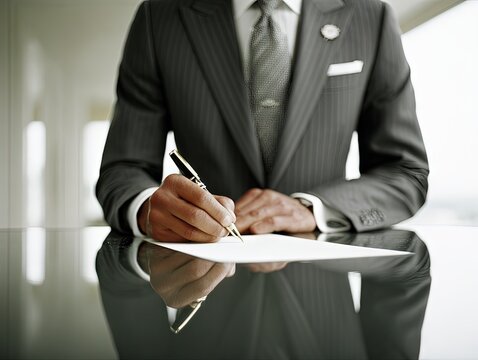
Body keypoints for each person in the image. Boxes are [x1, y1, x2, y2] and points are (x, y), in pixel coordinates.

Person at [96, 0, 428, 354]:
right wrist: (148, 209)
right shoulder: (159, 17)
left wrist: (312, 209)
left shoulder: (370, 16)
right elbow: (123, 168)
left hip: (325, 315)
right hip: (205, 317)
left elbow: (404, 171)